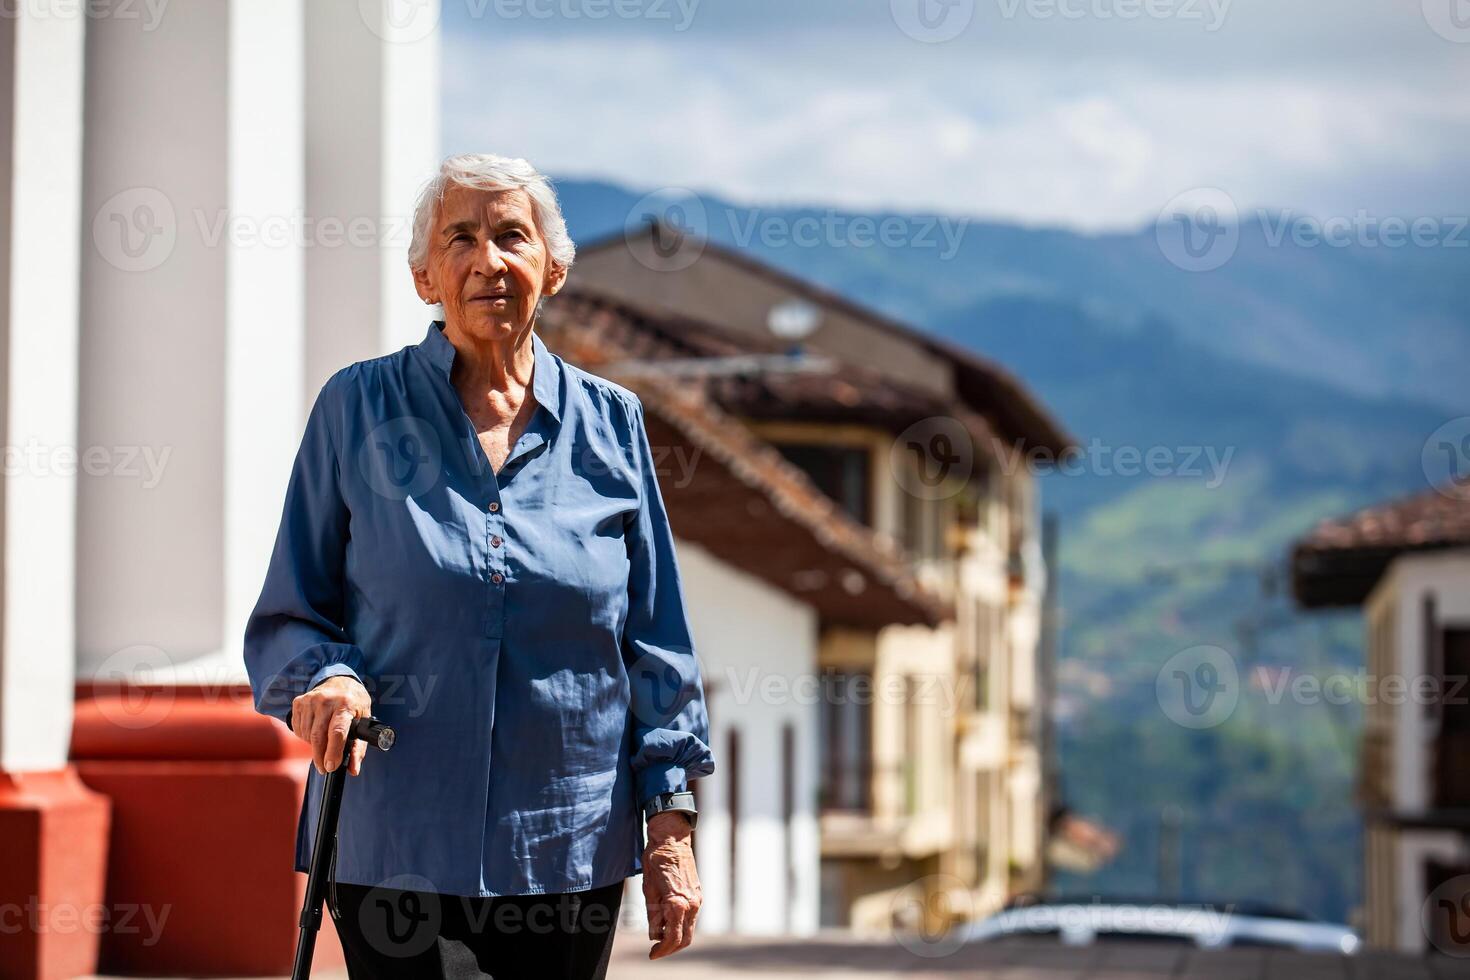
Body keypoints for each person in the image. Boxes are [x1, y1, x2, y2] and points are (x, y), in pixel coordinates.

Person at [244, 153, 714, 979]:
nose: (487, 260)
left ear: (554, 270)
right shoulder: (356, 409)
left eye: (511, 236)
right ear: (426, 277)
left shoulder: (613, 428)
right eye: (460, 237)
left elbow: (656, 641)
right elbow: (291, 613)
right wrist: (328, 678)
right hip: (395, 839)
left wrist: (669, 829)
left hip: (566, 845)